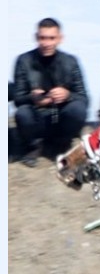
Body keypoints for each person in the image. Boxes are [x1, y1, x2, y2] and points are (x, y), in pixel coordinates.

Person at [11, 18, 89, 166]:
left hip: (61, 119)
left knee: (77, 109)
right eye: (42, 38)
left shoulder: (70, 61)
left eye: (51, 38)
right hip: (37, 119)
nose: (46, 43)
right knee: (22, 112)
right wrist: (33, 98)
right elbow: (17, 98)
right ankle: (34, 147)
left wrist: (67, 95)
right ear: (36, 37)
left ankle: (63, 144)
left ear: (60, 39)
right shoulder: (24, 60)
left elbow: (84, 98)